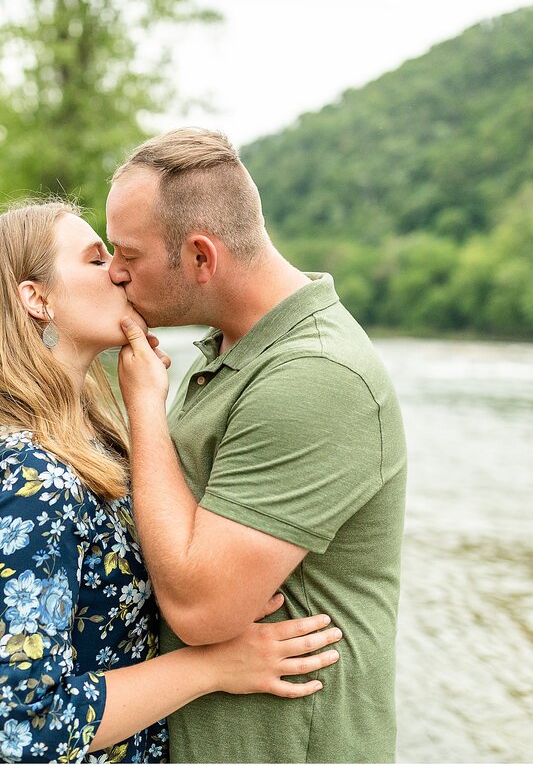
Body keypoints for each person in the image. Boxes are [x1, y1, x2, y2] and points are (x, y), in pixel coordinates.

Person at [0, 200, 344, 763]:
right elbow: (21, 726)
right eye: (97, 259)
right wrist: (214, 665)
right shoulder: (23, 472)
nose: (120, 272)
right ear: (36, 298)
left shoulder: (90, 444)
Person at [106, 128, 407, 763]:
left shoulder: (318, 377)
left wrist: (144, 411)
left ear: (200, 257)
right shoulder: (224, 352)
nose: (115, 272)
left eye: (128, 253)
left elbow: (201, 607)